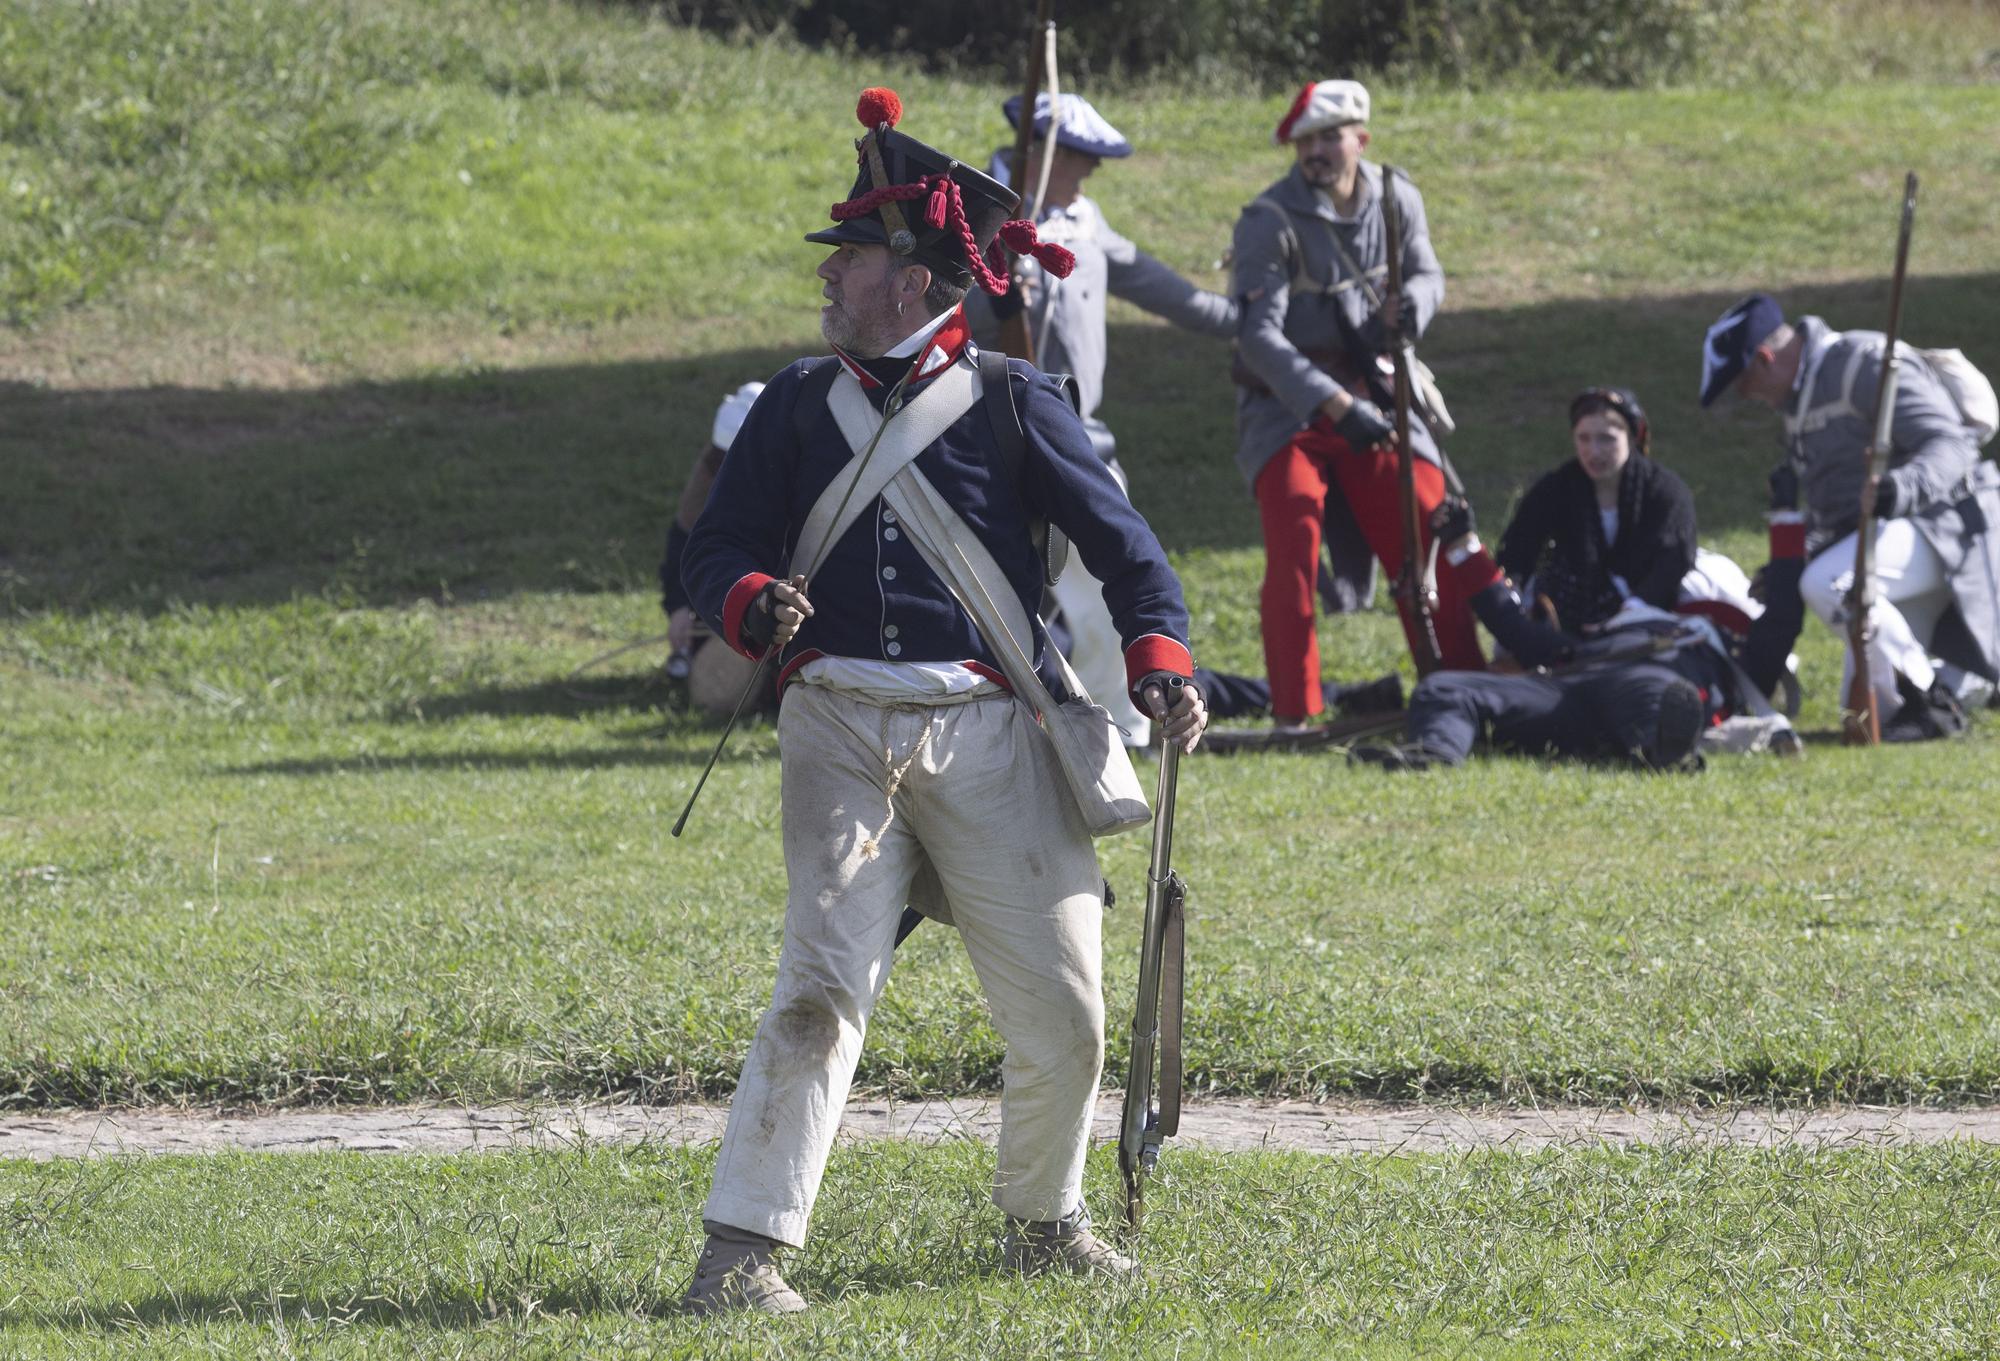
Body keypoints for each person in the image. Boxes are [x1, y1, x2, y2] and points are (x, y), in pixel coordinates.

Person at [677, 86, 1207, 1315]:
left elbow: (1130, 556)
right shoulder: (792, 409)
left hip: (990, 726)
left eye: (852, 256)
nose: (831, 278)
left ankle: (1043, 1216)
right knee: (819, 985)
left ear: (911, 280)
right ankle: (741, 1250)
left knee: (1065, 1007)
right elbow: (717, 550)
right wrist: (752, 599)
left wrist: (1161, 658)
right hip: (838, 722)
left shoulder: (1018, 402)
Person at [966, 91, 1238, 744]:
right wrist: (996, 298)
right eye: (1081, 158)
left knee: (1101, 587)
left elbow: (1160, 287)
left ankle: (1120, 726)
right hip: (977, 434)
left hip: (1074, 436)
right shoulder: (970, 213)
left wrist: (1247, 320)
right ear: (1043, 151)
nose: (1087, 173)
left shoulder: (1084, 220)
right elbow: (932, 313)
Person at [1231, 78, 1485, 732]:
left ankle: (1462, 685)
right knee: (1294, 542)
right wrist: (1335, 404)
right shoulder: (1268, 220)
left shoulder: (1398, 197)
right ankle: (1297, 713)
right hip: (1289, 406)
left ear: (1360, 140)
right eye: (1303, 140)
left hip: (1376, 394)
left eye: (1327, 138)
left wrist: (1412, 313)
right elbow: (1257, 338)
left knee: (1428, 526)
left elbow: (1428, 275)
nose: (1314, 151)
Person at [1699, 292, 1999, 741]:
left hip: (1949, 525)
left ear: (1764, 359)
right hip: (1899, 539)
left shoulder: (1866, 363)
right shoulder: (1798, 403)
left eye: (1746, 386)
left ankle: (1932, 701)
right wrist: (1793, 558)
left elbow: (1953, 445)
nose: (1752, 398)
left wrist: (1901, 488)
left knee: (1829, 584)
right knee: (1860, 707)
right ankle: (1956, 687)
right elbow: (1839, 514)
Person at [1353, 494, 1807, 770]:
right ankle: (1434, 753)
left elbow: (1784, 615)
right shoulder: (1598, 632)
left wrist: (1787, 519)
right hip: (1571, 685)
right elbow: (1518, 631)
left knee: (1659, 704)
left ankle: (1667, 751)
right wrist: (1464, 546)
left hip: (1654, 687)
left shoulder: (1727, 655)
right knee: (1445, 687)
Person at [1496, 387, 1698, 635]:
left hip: (1649, 601)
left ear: (1632, 438)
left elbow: (1673, 560)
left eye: (1607, 438)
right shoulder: (1557, 487)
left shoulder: (1664, 491)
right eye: (1584, 438)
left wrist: (1632, 610)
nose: (1594, 451)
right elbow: (1518, 549)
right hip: (1573, 600)